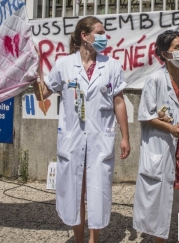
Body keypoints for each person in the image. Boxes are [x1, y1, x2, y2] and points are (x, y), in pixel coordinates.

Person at [32, 16, 130, 243]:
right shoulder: (64, 65)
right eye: (99, 33)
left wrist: (125, 136)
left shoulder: (111, 65)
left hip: (99, 139)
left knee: (97, 192)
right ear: (84, 37)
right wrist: (34, 72)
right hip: (73, 139)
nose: (104, 37)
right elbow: (42, 94)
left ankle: (93, 240)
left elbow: (119, 101)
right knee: (76, 192)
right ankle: (78, 239)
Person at [133, 30, 179, 242]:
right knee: (160, 200)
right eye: (177, 48)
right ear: (165, 54)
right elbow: (145, 115)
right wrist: (169, 128)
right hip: (163, 147)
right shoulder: (154, 80)